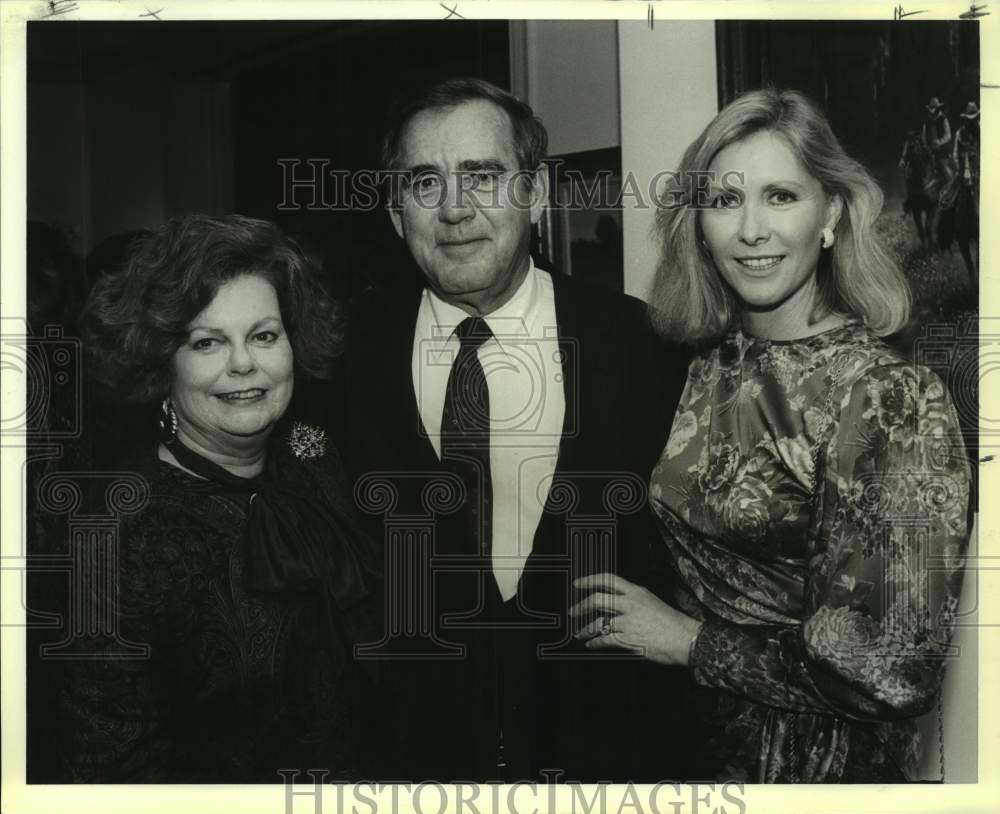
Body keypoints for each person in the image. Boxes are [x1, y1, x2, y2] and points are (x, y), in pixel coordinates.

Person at [572, 88, 971, 783]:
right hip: (683, 751)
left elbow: (894, 671)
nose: (751, 229)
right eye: (725, 202)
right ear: (699, 225)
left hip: (818, 771)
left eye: (781, 196)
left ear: (832, 215)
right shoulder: (698, 367)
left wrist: (687, 642)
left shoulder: (888, 397)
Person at [334, 77, 690, 781]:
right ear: (394, 211)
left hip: (611, 762)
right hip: (420, 764)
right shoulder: (343, 366)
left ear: (533, 193)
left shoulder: (641, 346)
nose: (456, 209)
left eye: (482, 176)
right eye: (424, 183)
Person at [44, 214, 382, 782]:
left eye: (264, 335)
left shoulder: (315, 457)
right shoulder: (116, 536)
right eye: (207, 342)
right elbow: (110, 772)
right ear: (159, 363)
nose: (244, 363)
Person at [921, 96, 953, 185]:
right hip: (930, 150)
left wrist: (939, 142)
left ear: (938, 108)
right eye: (931, 108)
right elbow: (923, 135)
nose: (932, 111)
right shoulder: (927, 121)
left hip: (942, 150)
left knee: (944, 167)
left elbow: (948, 135)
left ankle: (950, 187)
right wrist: (926, 145)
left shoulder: (943, 119)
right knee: (924, 169)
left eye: (934, 108)